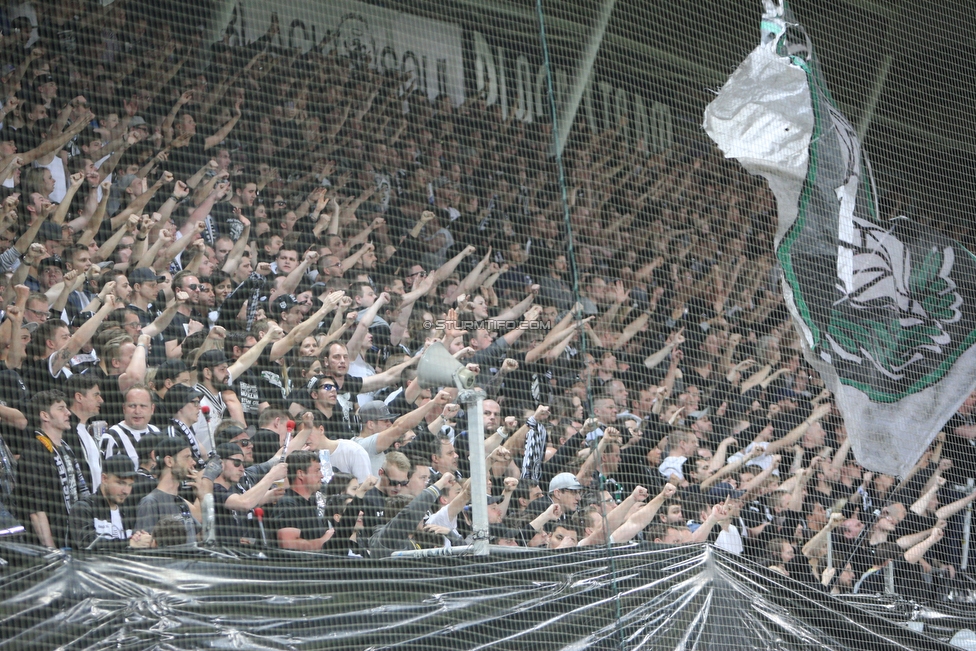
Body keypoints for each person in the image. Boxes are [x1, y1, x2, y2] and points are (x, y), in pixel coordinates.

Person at [14, 390, 89, 548]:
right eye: (61, 408)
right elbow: (35, 509)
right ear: (45, 415)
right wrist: (51, 551)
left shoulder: (67, 448)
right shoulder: (34, 452)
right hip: (54, 546)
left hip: (74, 541)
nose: (68, 413)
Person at [67, 455, 152, 550]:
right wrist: (129, 543)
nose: (126, 491)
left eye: (130, 485)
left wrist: (142, 540)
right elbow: (88, 544)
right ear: (104, 479)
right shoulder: (83, 508)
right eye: (121, 483)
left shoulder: (129, 511)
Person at [134, 436, 201, 545]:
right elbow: (143, 546)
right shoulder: (151, 502)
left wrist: (202, 495)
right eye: (187, 457)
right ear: (169, 461)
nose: (193, 462)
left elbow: (200, 537)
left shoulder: (181, 502)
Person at [271, 450, 334, 551]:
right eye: (317, 471)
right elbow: (287, 542)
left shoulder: (310, 504)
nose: (321, 475)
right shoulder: (288, 504)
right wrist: (323, 541)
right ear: (301, 474)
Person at [100, 384, 161, 466]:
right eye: (132, 406)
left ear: (152, 409)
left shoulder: (156, 432)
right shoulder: (111, 437)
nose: (137, 411)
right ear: (124, 408)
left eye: (143, 406)